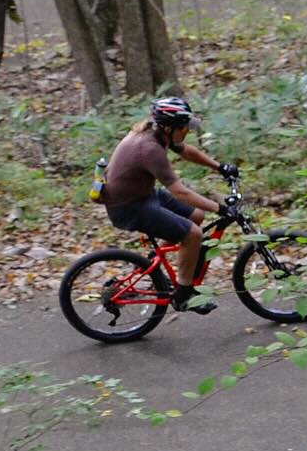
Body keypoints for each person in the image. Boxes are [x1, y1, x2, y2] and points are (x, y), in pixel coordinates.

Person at [99, 97, 233, 314]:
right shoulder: (149, 148)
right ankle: (184, 294)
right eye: (184, 128)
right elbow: (180, 192)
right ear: (169, 127)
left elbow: (185, 150)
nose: (187, 132)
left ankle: (153, 266)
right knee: (193, 234)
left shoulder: (155, 132)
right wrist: (219, 208)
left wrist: (220, 167)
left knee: (196, 216)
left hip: (142, 194)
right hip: (128, 207)